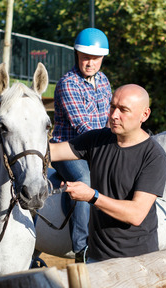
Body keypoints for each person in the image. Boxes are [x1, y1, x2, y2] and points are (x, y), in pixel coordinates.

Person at [50, 84, 166, 262]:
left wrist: (91, 196)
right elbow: (52, 152)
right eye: (112, 106)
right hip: (95, 259)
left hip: (139, 262)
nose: (114, 115)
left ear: (145, 114)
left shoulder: (154, 156)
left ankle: (79, 245)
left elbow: (135, 214)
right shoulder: (97, 139)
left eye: (123, 110)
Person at [50, 28, 112, 262]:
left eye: (95, 58)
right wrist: (109, 147)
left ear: (102, 58)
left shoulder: (104, 81)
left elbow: (108, 118)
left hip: (98, 146)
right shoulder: (68, 83)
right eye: (85, 56)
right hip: (68, 150)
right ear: (77, 54)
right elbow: (83, 126)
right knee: (84, 181)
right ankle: (82, 248)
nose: (90, 62)